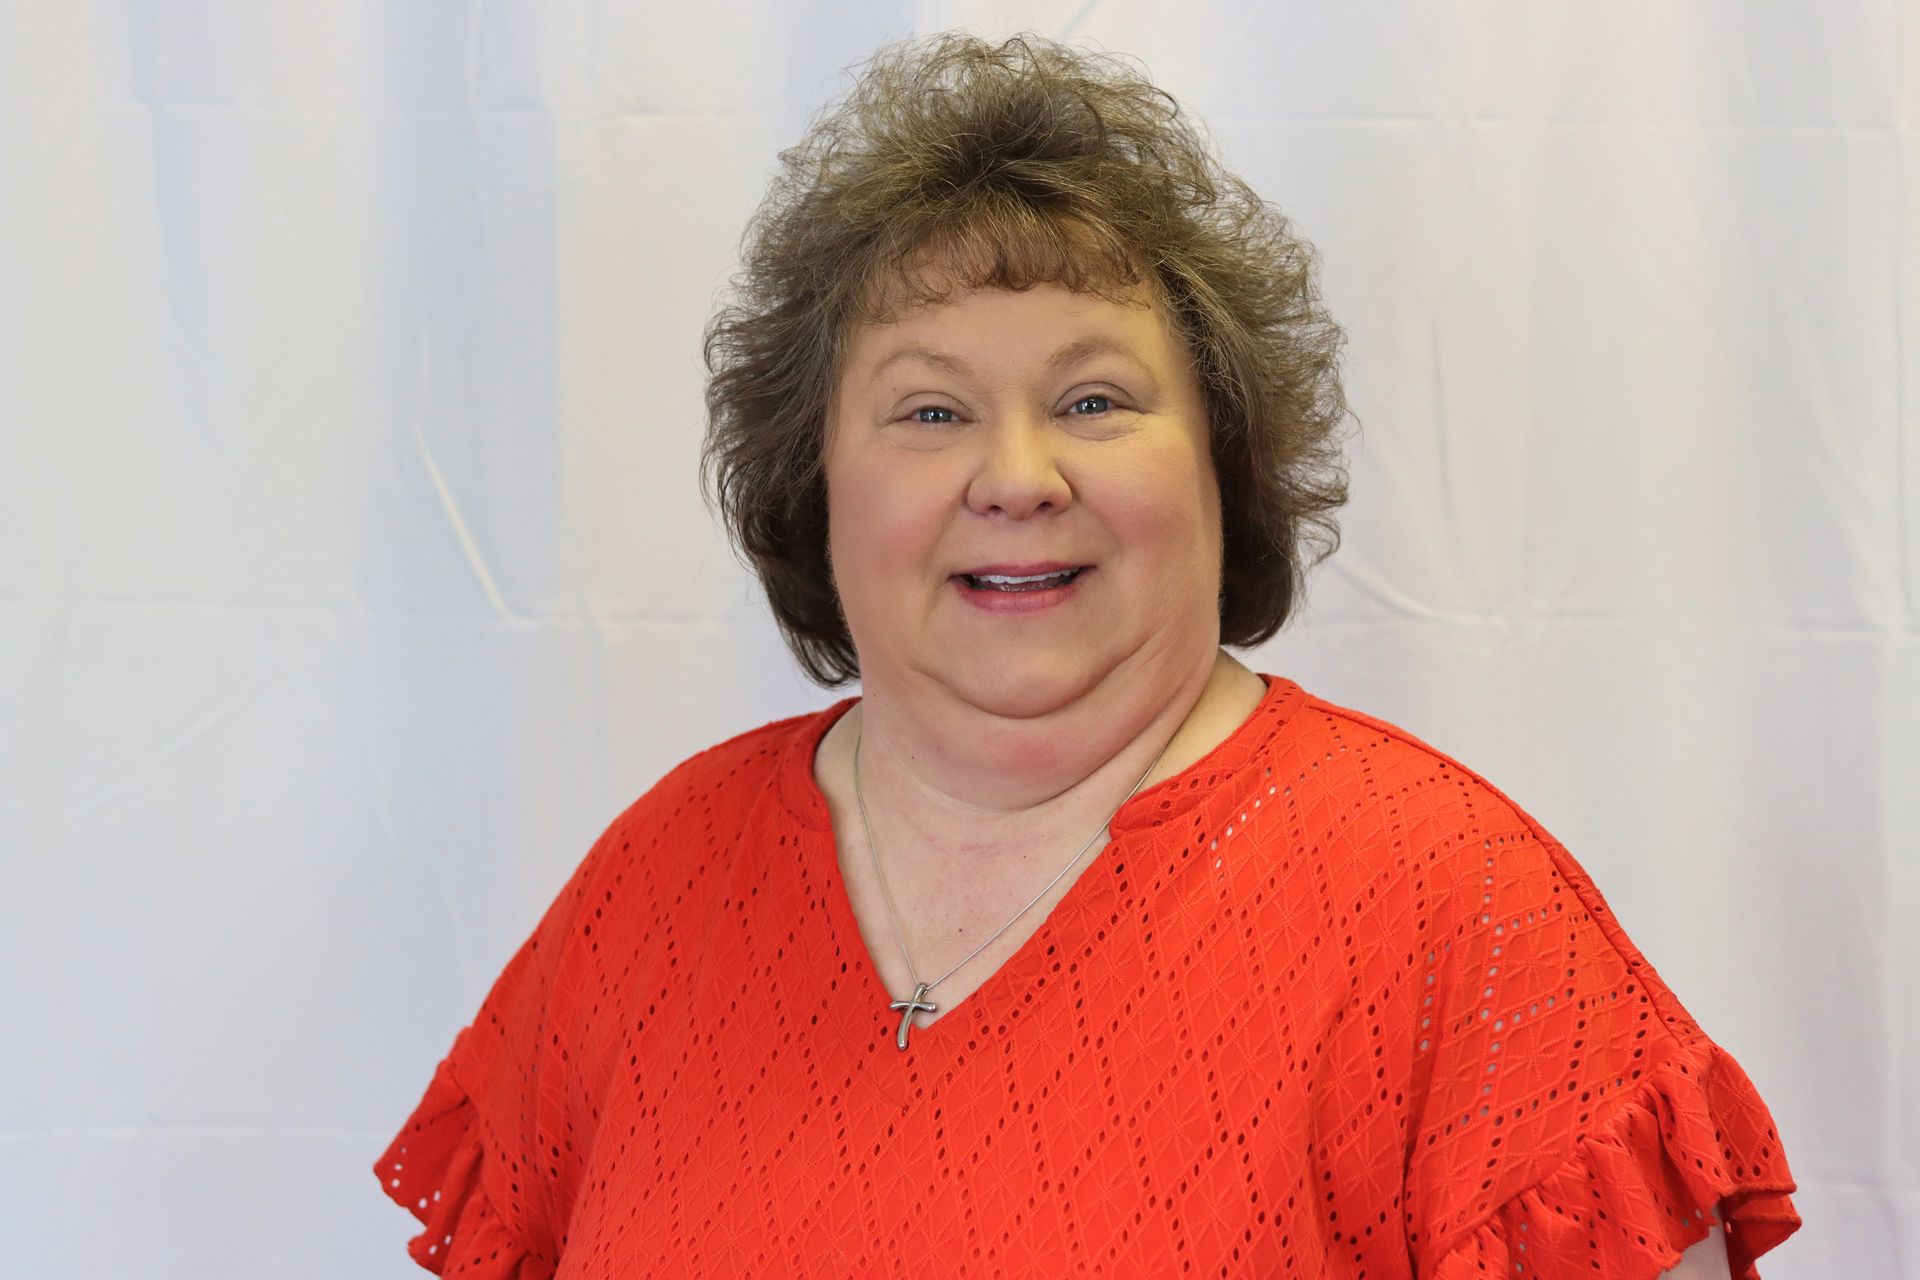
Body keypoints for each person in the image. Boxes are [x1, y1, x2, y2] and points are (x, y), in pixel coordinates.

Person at [374, 31, 1801, 1278]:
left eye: (1097, 399)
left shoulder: (1456, 916)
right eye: (929, 412)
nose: (1017, 475)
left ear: (1221, 463)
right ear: (817, 484)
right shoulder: (658, 884)